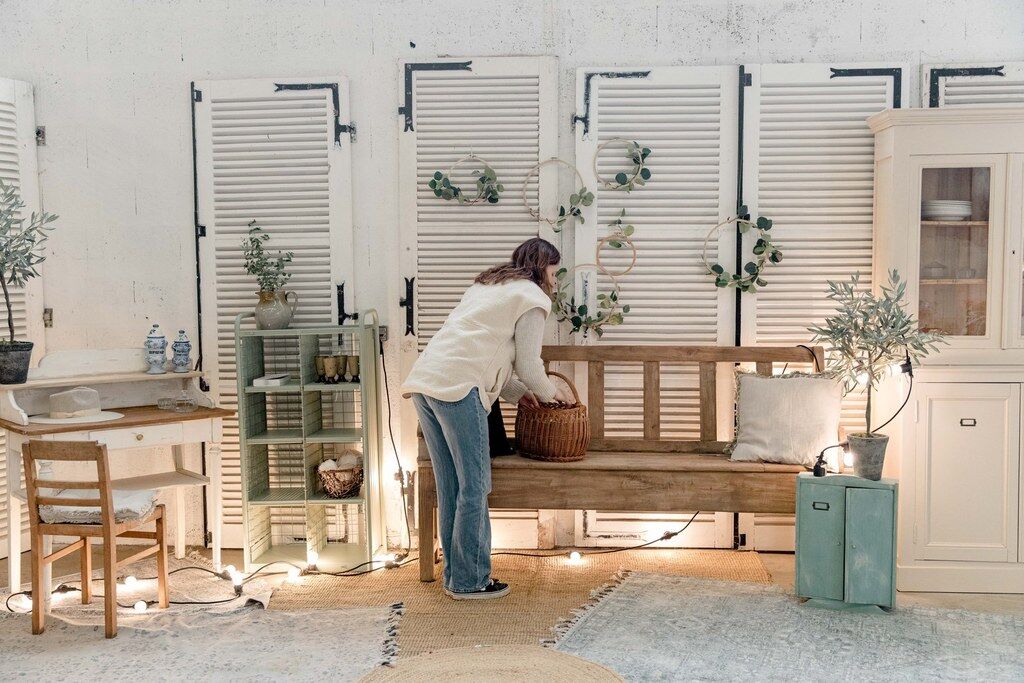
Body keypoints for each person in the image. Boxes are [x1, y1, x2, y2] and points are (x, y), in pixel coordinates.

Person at [401, 237, 573, 600]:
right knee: (475, 486)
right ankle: (470, 580)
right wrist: (550, 393)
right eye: (555, 271)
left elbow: (485, 350)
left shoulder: (488, 286)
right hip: (458, 390)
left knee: (452, 486)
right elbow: (528, 364)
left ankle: (456, 576)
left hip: (426, 383)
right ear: (543, 267)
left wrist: (516, 394)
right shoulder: (533, 297)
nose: (556, 280)